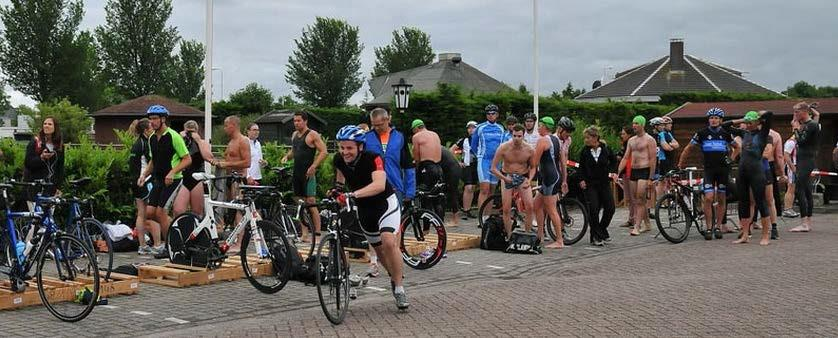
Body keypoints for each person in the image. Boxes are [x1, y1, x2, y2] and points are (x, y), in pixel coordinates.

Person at [332, 125, 408, 310]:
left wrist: (352, 195)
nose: (345, 152)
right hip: (365, 209)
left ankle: (399, 288)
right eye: (342, 147)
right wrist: (336, 192)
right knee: (380, 252)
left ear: (360, 147)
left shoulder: (373, 158)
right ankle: (393, 275)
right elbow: (340, 181)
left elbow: (380, 185)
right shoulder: (339, 159)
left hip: (385, 203)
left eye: (349, 148)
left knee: (388, 241)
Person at [364, 108, 415, 277]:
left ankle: (395, 263)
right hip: (373, 185)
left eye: (380, 124)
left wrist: (410, 191)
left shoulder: (399, 137)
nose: (377, 128)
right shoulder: (367, 137)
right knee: (373, 225)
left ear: (388, 120)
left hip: (395, 186)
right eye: (374, 125)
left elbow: (408, 165)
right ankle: (373, 262)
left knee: (395, 227)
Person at [137, 105, 192, 258]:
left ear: (163, 119)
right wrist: (144, 175)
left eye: (155, 119)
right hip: (158, 180)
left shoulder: (174, 136)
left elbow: (187, 159)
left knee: (161, 212)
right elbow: (153, 161)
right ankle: (176, 229)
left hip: (173, 180)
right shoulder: (152, 138)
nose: (152, 122)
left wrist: (173, 172)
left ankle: (171, 247)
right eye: (150, 119)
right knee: (149, 213)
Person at [678, 107, 738, 239]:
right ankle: (709, 227)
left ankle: (718, 227)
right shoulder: (702, 133)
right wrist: (680, 164)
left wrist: (731, 159)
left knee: (722, 198)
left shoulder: (725, 134)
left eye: (716, 118)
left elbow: (737, 147)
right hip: (709, 170)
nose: (713, 120)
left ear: (721, 120)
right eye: (711, 118)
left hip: (722, 170)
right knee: (709, 198)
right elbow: (689, 148)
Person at [726, 111, 776, 245]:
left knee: (761, 202)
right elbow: (725, 126)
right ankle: (745, 235)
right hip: (742, 171)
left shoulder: (763, 134)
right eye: (746, 122)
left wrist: (758, 117)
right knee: (743, 203)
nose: (747, 124)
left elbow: (770, 115)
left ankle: (765, 235)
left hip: (757, 171)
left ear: (758, 122)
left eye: (750, 122)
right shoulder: (744, 133)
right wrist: (742, 118)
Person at [281, 112, 327, 242]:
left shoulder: (312, 134)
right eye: (294, 121)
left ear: (305, 121)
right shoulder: (295, 135)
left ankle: (317, 234)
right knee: (300, 205)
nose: (296, 123)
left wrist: (314, 166)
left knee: (311, 203)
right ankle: (304, 233)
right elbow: (294, 150)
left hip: (308, 174)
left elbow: (324, 151)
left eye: (298, 121)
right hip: (297, 173)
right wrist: (287, 156)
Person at [209, 116, 251, 253]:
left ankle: (240, 243)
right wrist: (218, 162)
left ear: (233, 125)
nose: (224, 128)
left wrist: (226, 164)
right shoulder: (231, 141)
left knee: (240, 210)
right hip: (228, 179)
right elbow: (229, 158)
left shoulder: (243, 140)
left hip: (238, 180)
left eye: (226, 125)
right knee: (233, 210)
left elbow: (247, 162)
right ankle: (235, 238)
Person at [490, 124, 535, 237]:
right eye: (514, 136)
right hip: (507, 175)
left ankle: (527, 234)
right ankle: (509, 235)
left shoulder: (529, 149)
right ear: (511, 135)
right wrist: (504, 178)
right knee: (506, 208)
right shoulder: (503, 147)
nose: (516, 139)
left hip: (522, 176)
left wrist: (529, 180)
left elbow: (533, 167)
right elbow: (493, 168)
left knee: (529, 206)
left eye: (519, 136)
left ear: (523, 135)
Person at [530, 117, 567, 248]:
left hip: (550, 178)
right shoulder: (556, 139)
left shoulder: (542, 141)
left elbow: (534, 162)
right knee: (536, 205)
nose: (538, 127)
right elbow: (562, 161)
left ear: (545, 126)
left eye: (540, 125)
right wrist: (564, 180)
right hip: (552, 177)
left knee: (551, 210)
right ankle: (540, 235)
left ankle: (559, 240)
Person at [578, 126, 618, 246]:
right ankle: (594, 236)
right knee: (594, 209)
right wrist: (581, 179)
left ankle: (601, 229)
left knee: (610, 208)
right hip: (591, 184)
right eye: (585, 138)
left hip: (604, 183)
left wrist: (612, 172)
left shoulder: (606, 149)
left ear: (595, 137)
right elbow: (581, 168)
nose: (586, 140)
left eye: (588, 137)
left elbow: (614, 161)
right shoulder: (584, 151)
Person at [618, 115, 656, 236]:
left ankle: (637, 226)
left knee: (640, 199)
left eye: (637, 123)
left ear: (642, 125)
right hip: (633, 171)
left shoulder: (649, 140)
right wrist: (617, 171)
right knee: (638, 200)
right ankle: (648, 223)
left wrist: (651, 177)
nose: (634, 125)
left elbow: (653, 159)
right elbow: (625, 157)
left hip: (644, 170)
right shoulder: (631, 140)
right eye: (633, 123)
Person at [129, 118, 161, 255]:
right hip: (145, 181)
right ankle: (158, 245)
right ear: (145, 130)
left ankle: (142, 245)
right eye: (151, 127)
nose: (153, 128)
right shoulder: (145, 144)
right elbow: (152, 162)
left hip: (137, 182)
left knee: (141, 213)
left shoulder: (137, 144)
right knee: (153, 213)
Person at [172, 120, 214, 218]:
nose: (190, 135)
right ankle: (181, 230)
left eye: (192, 132)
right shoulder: (180, 142)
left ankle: (196, 231)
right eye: (188, 132)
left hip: (197, 177)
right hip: (183, 177)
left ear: (197, 131)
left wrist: (198, 141)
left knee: (197, 211)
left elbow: (209, 157)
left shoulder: (202, 143)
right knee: (178, 210)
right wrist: (180, 138)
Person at [789, 102, 820, 233]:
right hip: (804, 159)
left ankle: (804, 222)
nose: (795, 115)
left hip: (806, 160)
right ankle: (807, 222)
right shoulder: (808, 124)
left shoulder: (811, 125)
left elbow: (801, 141)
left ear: (803, 112)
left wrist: (796, 128)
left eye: (796, 112)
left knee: (800, 190)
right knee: (806, 190)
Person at [471, 104, 506, 220]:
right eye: (488, 114)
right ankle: (481, 217)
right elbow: (473, 145)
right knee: (484, 189)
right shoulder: (480, 128)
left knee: (492, 190)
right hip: (484, 161)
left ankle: (487, 216)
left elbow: (503, 145)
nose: (491, 116)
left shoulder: (501, 128)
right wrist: (479, 156)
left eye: (493, 113)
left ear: (497, 115)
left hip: (496, 162)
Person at [24, 117, 65, 204]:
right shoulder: (35, 142)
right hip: (35, 187)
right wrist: (41, 158)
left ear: (55, 128)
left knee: (49, 216)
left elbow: (60, 168)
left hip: (51, 188)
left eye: (50, 124)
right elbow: (28, 163)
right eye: (45, 124)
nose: (46, 126)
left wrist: (59, 187)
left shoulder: (59, 146)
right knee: (36, 216)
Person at [451, 121, 479, 219]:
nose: (471, 130)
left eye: (473, 127)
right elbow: (452, 150)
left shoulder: (480, 139)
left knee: (473, 187)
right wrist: (457, 162)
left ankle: (468, 209)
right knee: (468, 187)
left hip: (477, 165)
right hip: (467, 165)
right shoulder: (464, 140)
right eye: (469, 128)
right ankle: (466, 209)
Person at [410, 119, 443, 198]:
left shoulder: (416, 136)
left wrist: (416, 168)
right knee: (437, 195)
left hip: (427, 167)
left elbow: (416, 156)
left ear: (416, 128)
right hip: (439, 167)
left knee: (423, 194)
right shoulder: (435, 134)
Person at [616, 126, 635, 228]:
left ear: (629, 134)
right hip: (625, 172)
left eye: (623, 134)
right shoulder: (624, 144)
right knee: (628, 197)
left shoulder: (631, 143)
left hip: (630, 172)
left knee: (633, 197)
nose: (622, 135)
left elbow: (625, 157)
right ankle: (631, 218)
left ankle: (635, 219)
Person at [782, 133, 800, 218]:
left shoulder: (796, 142)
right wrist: (792, 167)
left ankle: (790, 208)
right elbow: (786, 155)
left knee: (793, 188)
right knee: (790, 188)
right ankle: (787, 209)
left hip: (795, 166)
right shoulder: (791, 142)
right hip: (791, 166)